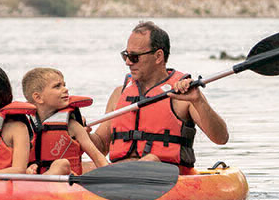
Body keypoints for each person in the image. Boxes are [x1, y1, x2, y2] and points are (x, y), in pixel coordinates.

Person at [89, 21, 228, 173]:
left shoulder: (183, 95)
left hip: (166, 179)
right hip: (121, 174)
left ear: (158, 56)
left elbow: (221, 138)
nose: (128, 62)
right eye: (126, 55)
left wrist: (198, 101)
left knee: (151, 160)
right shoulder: (119, 94)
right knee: (74, 166)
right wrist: (77, 131)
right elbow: (101, 146)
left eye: (134, 57)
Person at [21, 67, 109, 176]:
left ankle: (41, 181)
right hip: (33, 185)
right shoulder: (23, 127)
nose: (65, 89)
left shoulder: (73, 126)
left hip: (68, 184)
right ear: (38, 97)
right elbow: (17, 164)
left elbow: (98, 158)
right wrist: (28, 170)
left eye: (64, 85)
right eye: (57, 86)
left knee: (61, 165)